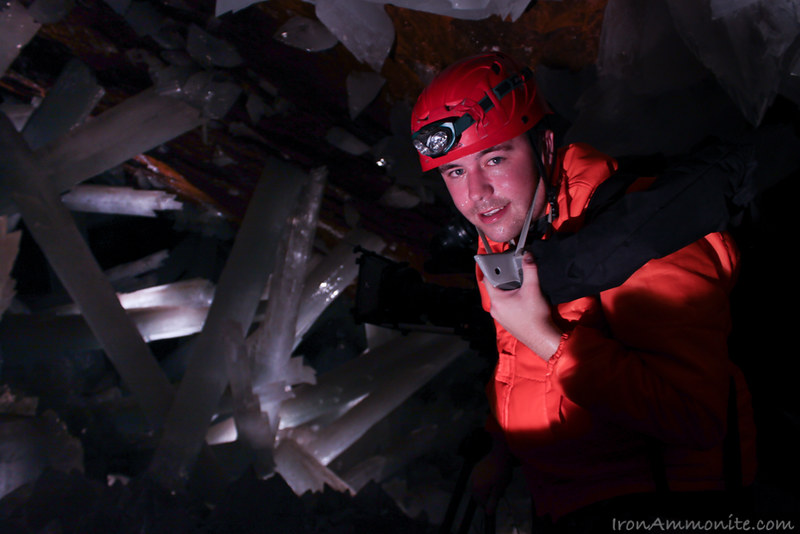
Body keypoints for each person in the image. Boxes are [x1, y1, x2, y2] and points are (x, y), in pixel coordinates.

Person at [410, 52, 757, 531]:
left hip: (662, 504)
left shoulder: (642, 235)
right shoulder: (505, 236)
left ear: (545, 145)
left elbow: (697, 418)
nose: (478, 193)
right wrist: (501, 447)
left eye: (494, 158)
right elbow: (518, 361)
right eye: (455, 172)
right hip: (561, 502)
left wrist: (547, 337)